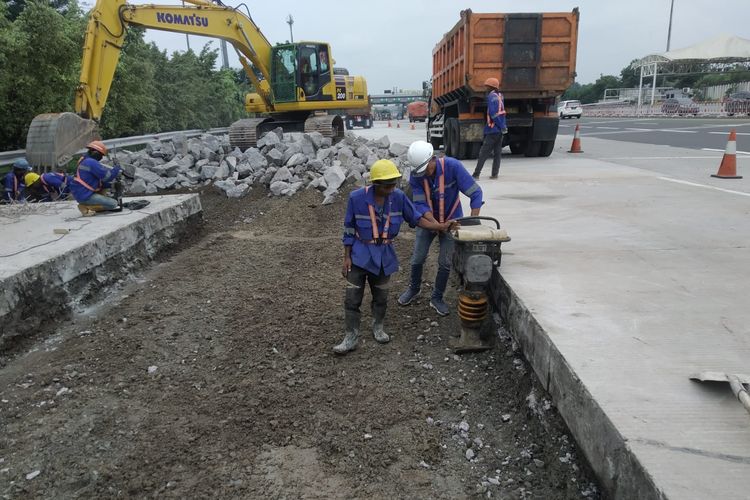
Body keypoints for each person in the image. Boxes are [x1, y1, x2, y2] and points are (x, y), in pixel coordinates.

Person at [334, 159, 457, 355]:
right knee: (352, 298)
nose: (392, 188)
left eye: (394, 184)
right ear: (375, 184)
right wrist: (346, 257)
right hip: (359, 256)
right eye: (387, 185)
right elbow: (349, 228)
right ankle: (351, 336)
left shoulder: (398, 197)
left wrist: (439, 227)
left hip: (384, 257)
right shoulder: (356, 198)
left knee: (381, 296)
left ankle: (378, 327)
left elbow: (416, 218)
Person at [398, 141, 483, 316]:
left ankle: (437, 297)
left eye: (426, 170)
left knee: (445, 262)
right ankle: (414, 289)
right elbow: (420, 204)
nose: (423, 175)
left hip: (453, 220)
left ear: (433, 159)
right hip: (430, 221)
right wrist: (436, 225)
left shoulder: (453, 167)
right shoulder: (416, 175)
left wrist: (473, 221)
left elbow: (476, 193)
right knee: (417, 258)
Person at [70, 141, 122, 216]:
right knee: (113, 204)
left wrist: (111, 185)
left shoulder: (85, 160)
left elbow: (96, 181)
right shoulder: (91, 162)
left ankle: (90, 203)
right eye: (101, 155)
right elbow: (108, 177)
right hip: (85, 195)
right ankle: (86, 207)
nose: (101, 157)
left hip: (81, 192)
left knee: (105, 191)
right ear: (96, 153)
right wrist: (117, 168)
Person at [472, 77, 507, 179]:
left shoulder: (491, 96)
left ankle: (476, 174)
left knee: (483, 153)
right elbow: (501, 112)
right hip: (500, 130)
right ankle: (494, 174)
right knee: (497, 153)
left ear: (490, 87)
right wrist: (503, 127)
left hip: (492, 129)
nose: (485, 88)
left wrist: (499, 125)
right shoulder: (500, 96)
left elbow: (493, 113)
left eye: (487, 86)